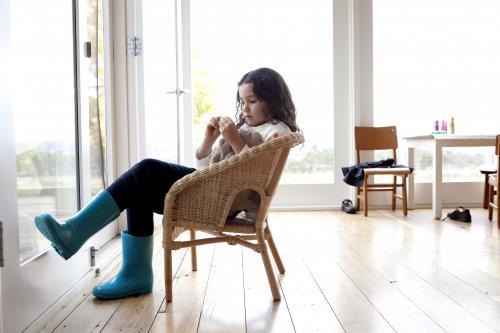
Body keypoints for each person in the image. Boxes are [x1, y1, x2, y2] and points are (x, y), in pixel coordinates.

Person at [34, 67, 300, 300]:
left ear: (273, 101)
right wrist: (210, 139)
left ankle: (77, 233)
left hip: (224, 201)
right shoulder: (248, 127)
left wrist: (233, 138)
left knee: (146, 170)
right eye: (242, 102)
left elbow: (251, 175)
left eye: (251, 101)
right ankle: (134, 274)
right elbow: (205, 165)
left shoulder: (277, 132)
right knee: (140, 187)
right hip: (213, 188)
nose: (244, 109)